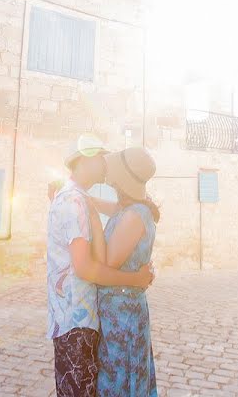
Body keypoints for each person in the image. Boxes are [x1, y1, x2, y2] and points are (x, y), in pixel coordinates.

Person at [47, 137, 154, 397]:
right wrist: (135, 279)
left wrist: (89, 208)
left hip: (103, 316)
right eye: (100, 157)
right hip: (82, 318)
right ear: (84, 159)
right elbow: (85, 267)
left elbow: (103, 260)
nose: (106, 163)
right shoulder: (83, 202)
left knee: (114, 383)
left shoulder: (129, 212)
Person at [87, 147, 160, 397]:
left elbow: (108, 260)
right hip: (120, 312)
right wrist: (87, 201)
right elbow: (110, 208)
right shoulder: (127, 208)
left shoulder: (134, 216)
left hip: (123, 316)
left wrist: (92, 219)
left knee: (120, 378)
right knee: (121, 374)